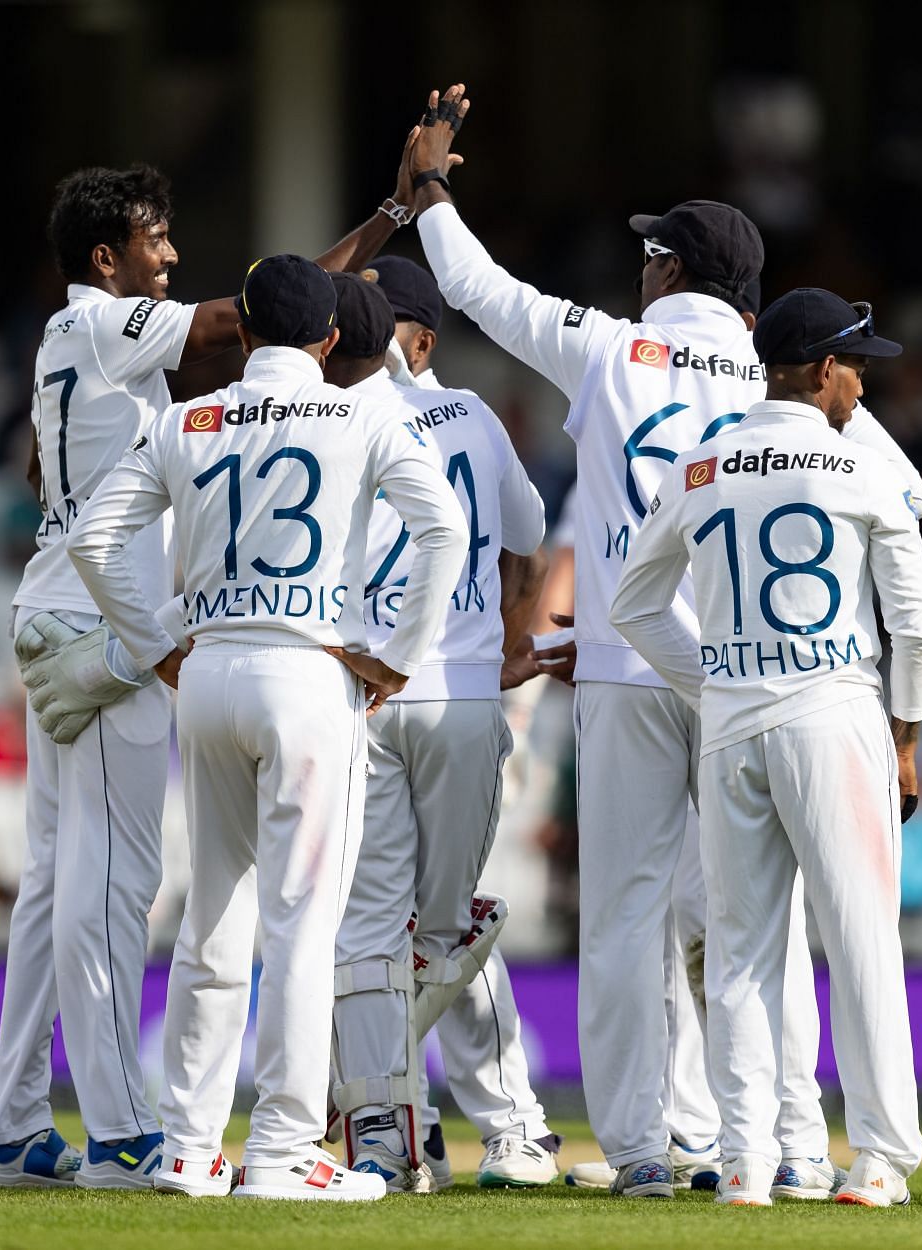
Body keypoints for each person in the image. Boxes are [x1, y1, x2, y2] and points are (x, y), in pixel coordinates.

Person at [0, 147, 457, 1190]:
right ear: (107, 256)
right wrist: (388, 212)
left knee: (54, 885)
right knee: (112, 887)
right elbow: (256, 313)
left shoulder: (77, 345)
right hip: (106, 630)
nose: (170, 256)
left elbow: (52, 458)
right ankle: (118, 1129)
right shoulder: (107, 320)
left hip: (57, 602)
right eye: (154, 240)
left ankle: (15, 1120)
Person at [399, 84, 839, 1198]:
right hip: (750, 670)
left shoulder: (611, 349)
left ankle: (648, 1145)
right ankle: (776, 1138)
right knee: (754, 916)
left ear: (673, 274)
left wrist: (435, 183)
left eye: (653, 256)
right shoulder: (783, 376)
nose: (640, 268)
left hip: (630, 667)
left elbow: (474, 288)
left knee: (630, 909)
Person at [611, 288, 922, 1207]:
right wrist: (905, 735)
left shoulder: (701, 464)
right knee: (862, 938)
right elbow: (914, 623)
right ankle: (876, 1160)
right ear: (824, 369)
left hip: (733, 724)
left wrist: (712, 679)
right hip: (835, 712)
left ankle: (747, 1161)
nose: (863, 385)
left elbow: (633, 604)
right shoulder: (860, 463)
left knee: (743, 948)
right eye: (858, 366)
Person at [316, 272, 554, 1191]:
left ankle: (385, 1130)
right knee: (447, 927)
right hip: (456, 694)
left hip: (365, 692)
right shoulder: (472, 416)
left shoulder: (332, 423)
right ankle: (505, 1133)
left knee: (379, 927)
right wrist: (509, 637)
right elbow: (528, 535)